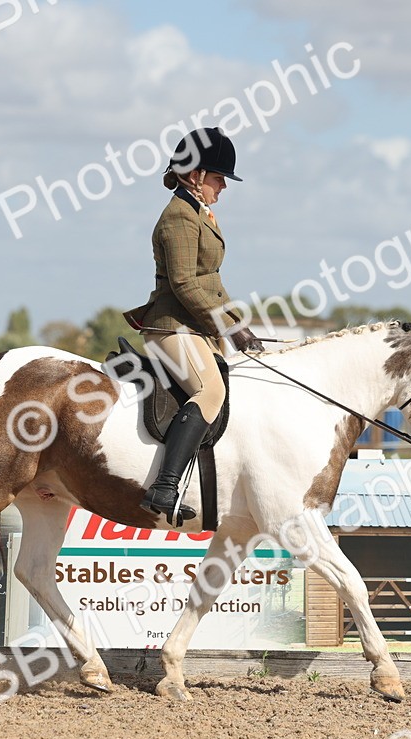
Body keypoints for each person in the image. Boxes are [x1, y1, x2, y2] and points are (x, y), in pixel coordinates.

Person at [124, 127, 263, 525]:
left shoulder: (199, 214)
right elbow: (185, 283)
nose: (223, 186)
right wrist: (229, 327)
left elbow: (211, 284)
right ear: (195, 175)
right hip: (172, 327)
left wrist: (239, 325)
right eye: (219, 177)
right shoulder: (178, 218)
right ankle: (165, 486)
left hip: (197, 329)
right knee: (210, 389)